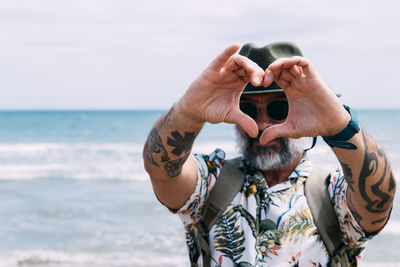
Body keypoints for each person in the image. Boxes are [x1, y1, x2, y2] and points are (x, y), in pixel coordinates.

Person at [142, 42, 396, 266]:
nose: (262, 124)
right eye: (248, 109)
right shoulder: (211, 182)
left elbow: (379, 198)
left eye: (279, 108)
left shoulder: (333, 190)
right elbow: (162, 170)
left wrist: (340, 126)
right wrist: (188, 112)